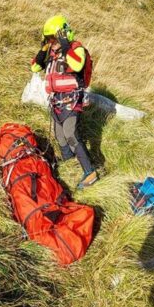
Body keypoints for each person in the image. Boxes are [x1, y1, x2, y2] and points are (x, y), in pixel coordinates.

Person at [31, 15, 99, 189]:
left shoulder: (76, 49)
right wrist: (43, 48)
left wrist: (67, 45)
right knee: (60, 136)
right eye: (49, 39)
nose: (52, 42)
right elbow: (35, 67)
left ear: (63, 34)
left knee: (70, 134)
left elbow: (77, 66)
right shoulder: (52, 53)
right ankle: (70, 165)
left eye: (53, 38)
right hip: (56, 102)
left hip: (71, 100)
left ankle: (90, 173)